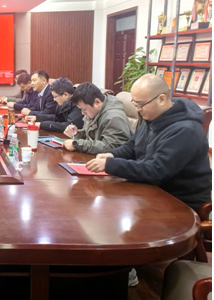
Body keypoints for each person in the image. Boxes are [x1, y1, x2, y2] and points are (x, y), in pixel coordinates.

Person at [86, 74, 211, 212]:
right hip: (151, 190)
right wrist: (112, 155)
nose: (137, 109)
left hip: (179, 202)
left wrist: (110, 165)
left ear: (161, 99)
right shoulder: (152, 117)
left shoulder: (186, 130)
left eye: (141, 105)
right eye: (135, 104)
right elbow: (132, 146)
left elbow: (156, 170)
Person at [62, 82, 132, 154]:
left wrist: (77, 144)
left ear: (97, 102)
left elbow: (111, 147)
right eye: (81, 109)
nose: (82, 113)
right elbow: (90, 137)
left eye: (84, 109)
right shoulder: (94, 111)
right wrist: (77, 134)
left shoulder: (114, 117)